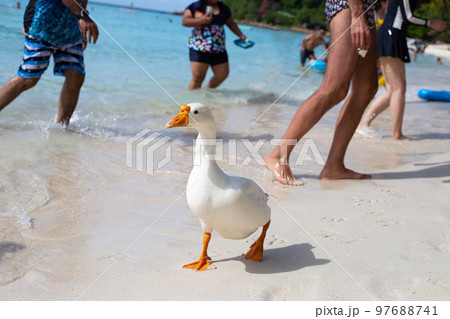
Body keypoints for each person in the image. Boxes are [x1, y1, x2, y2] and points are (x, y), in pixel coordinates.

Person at [264, 0, 378, 185]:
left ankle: (334, 165)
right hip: (350, 6)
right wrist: (357, 15)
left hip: (366, 8)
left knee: (367, 88)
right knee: (334, 89)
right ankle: (278, 155)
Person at [357, 0, 446, 140]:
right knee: (398, 89)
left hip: (389, 34)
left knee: (392, 90)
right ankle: (396, 134)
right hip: (392, 35)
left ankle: (363, 124)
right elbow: (408, 16)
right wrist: (430, 23)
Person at [0, 0, 99, 127]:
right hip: (42, 21)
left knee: (76, 74)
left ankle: (61, 128)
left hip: (70, 26)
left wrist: (80, 20)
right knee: (28, 78)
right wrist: (82, 16)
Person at [182, 0, 246, 90]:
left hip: (219, 49)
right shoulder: (196, 6)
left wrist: (241, 35)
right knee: (198, 77)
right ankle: (191, 102)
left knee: (222, 75)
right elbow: (185, 21)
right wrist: (201, 20)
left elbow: (231, 24)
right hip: (199, 48)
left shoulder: (224, 8)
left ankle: (206, 90)